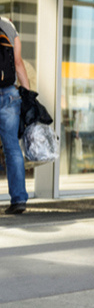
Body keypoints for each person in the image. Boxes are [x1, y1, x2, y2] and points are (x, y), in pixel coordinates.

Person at [0, 16, 30, 214]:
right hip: (9, 94)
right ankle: (18, 199)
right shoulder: (7, 25)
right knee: (12, 148)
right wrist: (27, 94)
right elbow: (18, 63)